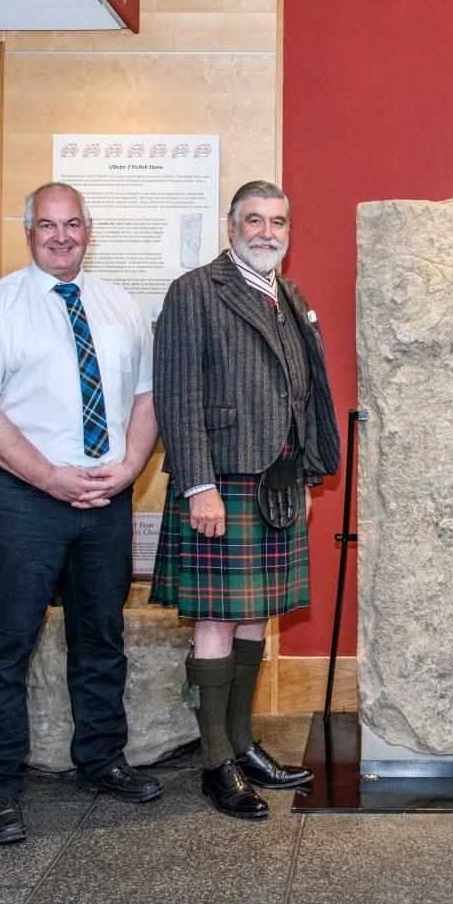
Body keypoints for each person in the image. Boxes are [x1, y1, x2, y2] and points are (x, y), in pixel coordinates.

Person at [0, 182, 163, 846]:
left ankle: (100, 759)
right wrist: (51, 479)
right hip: (22, 501)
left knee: (101, 638)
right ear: (28, 230)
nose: (61, 236)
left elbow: (146, 401)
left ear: (88, 229)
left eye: (72, 224)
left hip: (105, 498)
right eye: (47, 225)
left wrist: (126, 469)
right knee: (5, 643)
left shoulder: (120, 305)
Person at [151, 180, 340, 819]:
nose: (267, 231)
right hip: (222, 481)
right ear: (231, 227)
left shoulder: (289, 294)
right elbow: (176, 396)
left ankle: (241, 743)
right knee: (216, 621)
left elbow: (304, 394)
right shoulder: (195, 291)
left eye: (278, 221)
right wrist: (199, 485)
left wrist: (308, 476)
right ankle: (214, 765)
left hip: (276, 482)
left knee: (257, 616)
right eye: (254, 220)